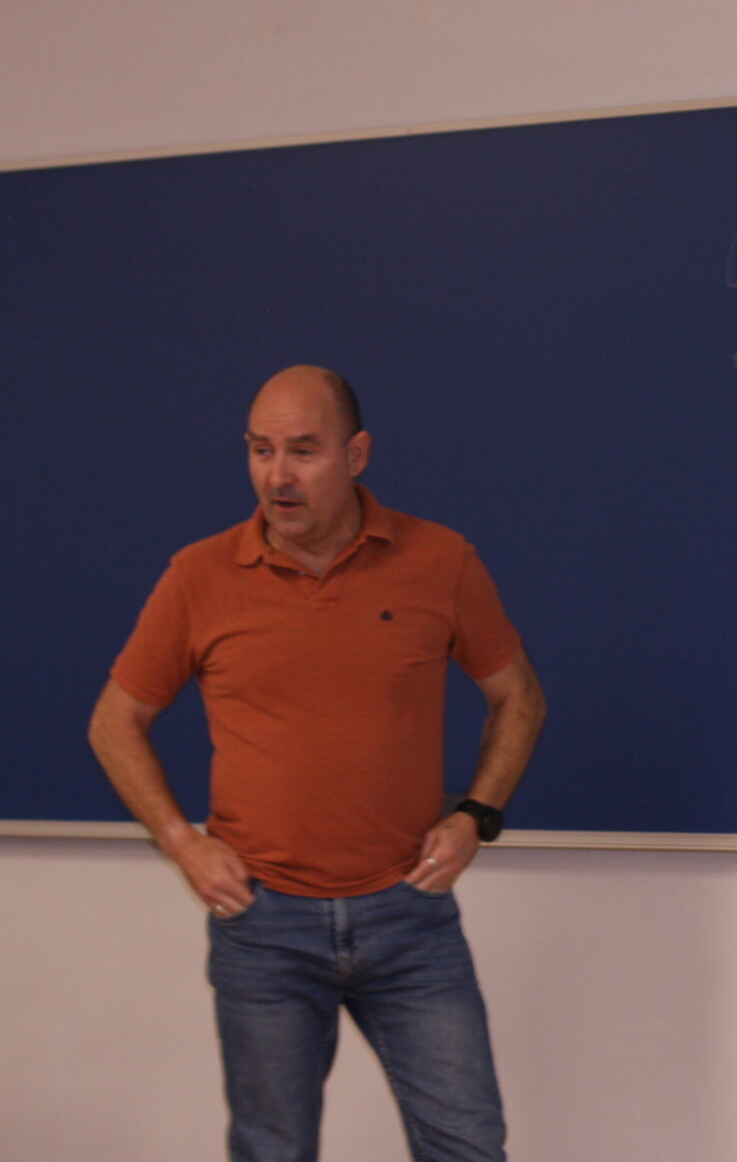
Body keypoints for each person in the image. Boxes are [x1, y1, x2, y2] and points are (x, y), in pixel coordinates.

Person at [88, 365, 548, 1162]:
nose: (278, 475)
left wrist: (476, 815)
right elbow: (114, 721)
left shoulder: (440, 559)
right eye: (260, 450)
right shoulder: (199, 575)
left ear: (356, 454)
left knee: (470, 1143)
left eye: (303, 450)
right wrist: (181, 841)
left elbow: (520, 698)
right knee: (272, 1149)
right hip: (264, 924)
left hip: (409, 917)